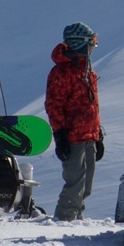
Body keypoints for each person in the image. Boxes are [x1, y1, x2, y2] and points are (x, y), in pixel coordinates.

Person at [45, 22, 104, 221]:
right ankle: (64, 220)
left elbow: (91, 104)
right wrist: (60, 135)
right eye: (91, 43)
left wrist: (99, 134)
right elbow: (54, 105)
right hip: (72, 136)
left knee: (86, 186)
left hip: (89, 134)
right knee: (75, 183)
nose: (93, 48)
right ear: (79, 43)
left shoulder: (86, 69)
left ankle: (77, 219)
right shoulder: (62, 73)